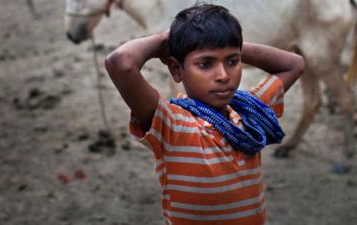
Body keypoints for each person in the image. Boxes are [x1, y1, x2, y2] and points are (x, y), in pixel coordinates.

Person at [105, 3, 304, 225]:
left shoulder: (249, 110)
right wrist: (165, 40)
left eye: (232, 61)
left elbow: (294, 64)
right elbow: (120, 63)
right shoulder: (172, 125)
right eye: (205, 63)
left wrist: (226, 43)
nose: (223, 75)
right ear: (176, 69)